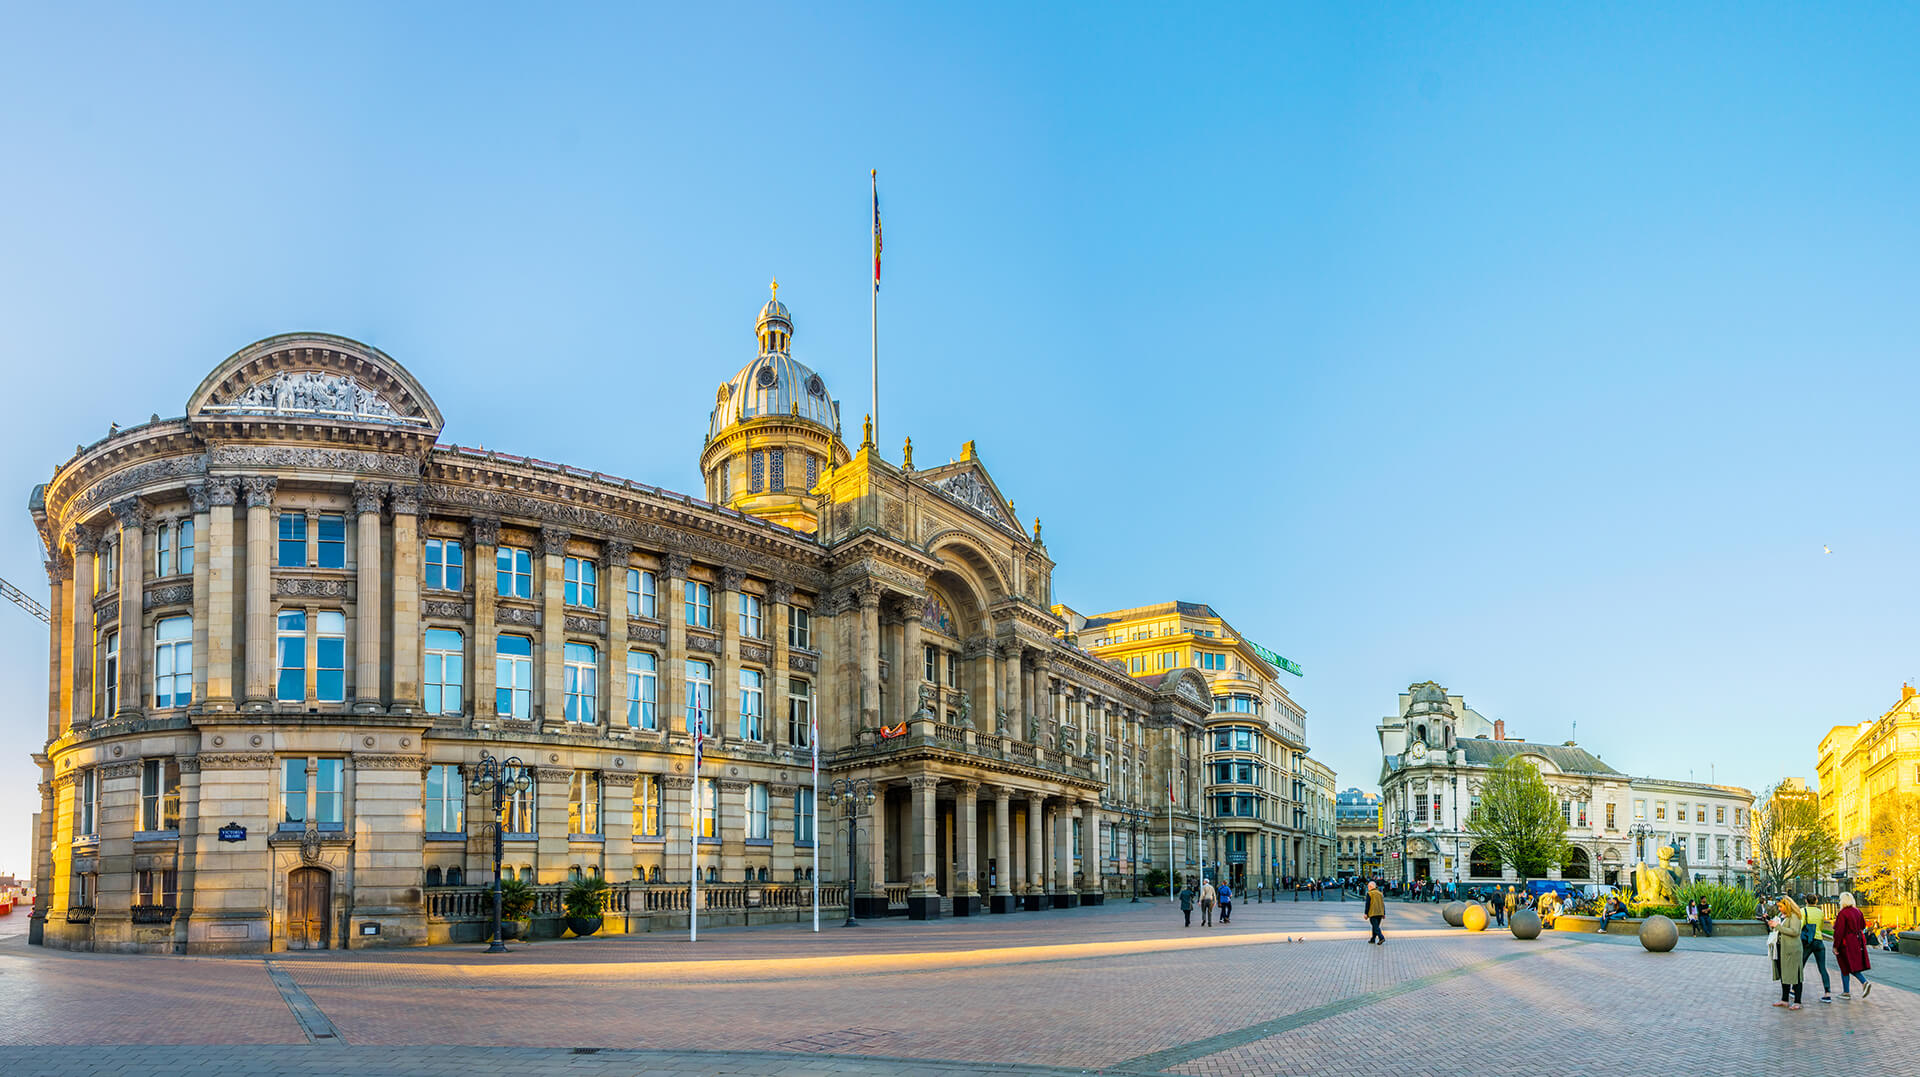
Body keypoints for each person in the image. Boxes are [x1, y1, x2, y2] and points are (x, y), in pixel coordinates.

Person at [1769, 896, 1806, 1010]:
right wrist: (1773, 925)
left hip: (1792, 950)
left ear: (1787, 905)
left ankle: (1798, 1001)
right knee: (1784, 973)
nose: (1779, 909)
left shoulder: (1794, 916)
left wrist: (1778, 926)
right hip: (1782, 948)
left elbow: (1795, 931)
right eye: (1778, 906)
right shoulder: (1782, 916)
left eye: (1781, 906)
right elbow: (1779, 930)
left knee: (1795, 975)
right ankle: (1784, 999)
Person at [1833, 892, 1873, 999]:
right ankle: (1848, 991)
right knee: (1850, 965)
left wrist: (1835, 946)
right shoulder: (1858, 911)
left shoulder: (1843, 913)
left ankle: (1861, 983)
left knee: (1845, 966)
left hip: (1846, 943)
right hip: (1857, 941)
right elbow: (1863, 925)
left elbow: (1839, 932)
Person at [1797, 894, 1833, 1002]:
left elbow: (1801, 925)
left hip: (1808, 942)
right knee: (1822, 968)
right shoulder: (1820, 912)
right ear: (1816, 901)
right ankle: (1827, 992)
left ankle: (1795, 989)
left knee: (1800, 966)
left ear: (1806, 901)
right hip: (1819, 941)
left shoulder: (1803, 911)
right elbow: (1820, 927)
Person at [1365, 880, 1386, 945]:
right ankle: (1373, 939)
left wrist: (1366, 913)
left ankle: (1381, 937)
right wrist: (1384, 913)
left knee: (1376, 927)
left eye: (1368, 887)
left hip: (1373, 912)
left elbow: (1367, 904)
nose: (1368, 888)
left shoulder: (1369, 893)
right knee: (1375, 926)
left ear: (1370, 886)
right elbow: (1382, 904)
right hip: (1380, 912)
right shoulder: (1380, 893)